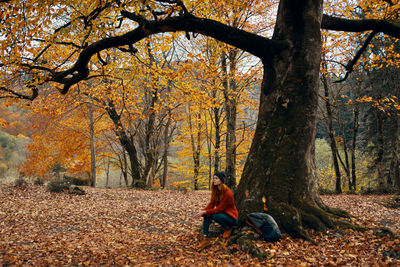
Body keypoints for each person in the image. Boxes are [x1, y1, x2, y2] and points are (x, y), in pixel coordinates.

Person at [193, 171, 239, 250]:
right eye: (213, 178)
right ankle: (205, 238)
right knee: (206, 214)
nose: (214, 180)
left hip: (232, 218)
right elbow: (211, 204)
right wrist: (201, 211)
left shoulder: (228, 193)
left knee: (212, 214)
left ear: (221, 180)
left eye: (216, 178)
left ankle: (228, 227)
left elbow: (219, 209)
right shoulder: (216, 190)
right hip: (222, 215)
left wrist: (205, 212)